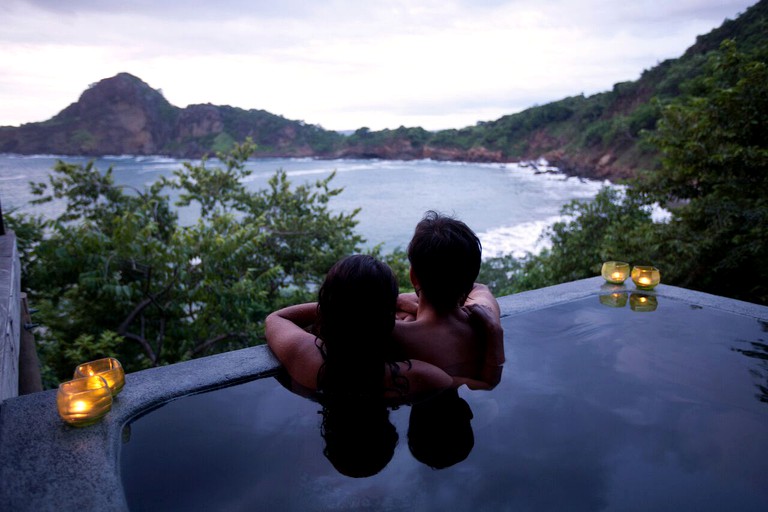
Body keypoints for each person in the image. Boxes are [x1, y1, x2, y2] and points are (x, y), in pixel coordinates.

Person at [265, 254, 454, 402]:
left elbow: (276, 317)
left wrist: (335, 304)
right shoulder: (422, 378)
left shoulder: (304, 359)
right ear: (386, 319)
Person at [393, 211, 505, 389]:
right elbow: (481, 289)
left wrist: (399, 303)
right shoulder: (485, 321)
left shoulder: (398, 335)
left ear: (413, 276)